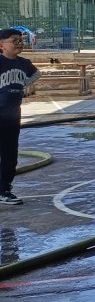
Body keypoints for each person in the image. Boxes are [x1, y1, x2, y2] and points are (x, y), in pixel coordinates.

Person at [0, 28, 38, 205]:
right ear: (2, 45)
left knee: (10, 154)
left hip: (13, 115)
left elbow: (37, 74)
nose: (19, 43)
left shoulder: (24, 63)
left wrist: (25, 84)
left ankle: (4, 190)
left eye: (21, 40)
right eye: (14, 41)